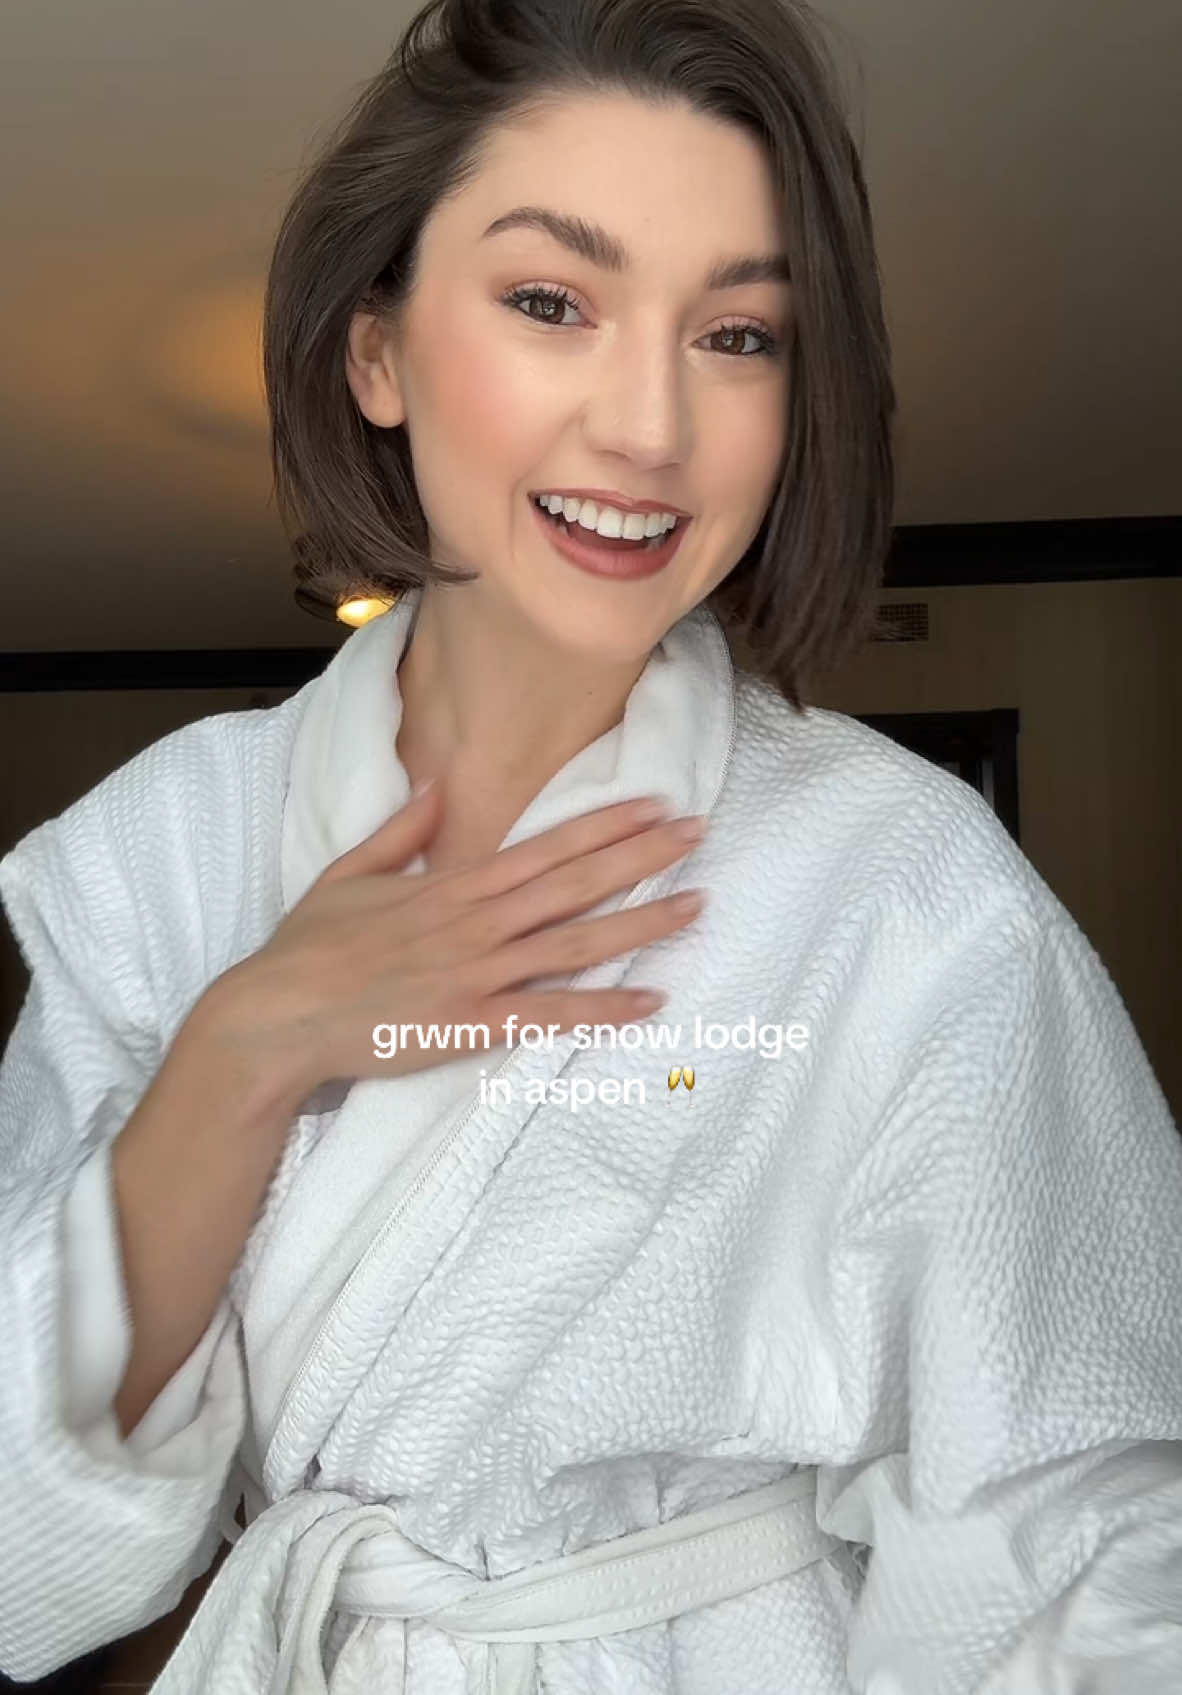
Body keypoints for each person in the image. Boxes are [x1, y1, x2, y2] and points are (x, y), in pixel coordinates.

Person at [2, 0, 1180, 1690]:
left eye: (739, 335)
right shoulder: (160, 849)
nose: (650, 427)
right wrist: (240, 1054)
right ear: (375, 354)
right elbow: (17, 1559)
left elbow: (1079, 1559)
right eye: (550, 302)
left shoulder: (904, 888)